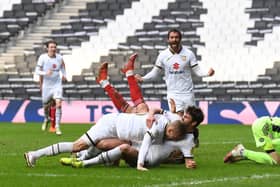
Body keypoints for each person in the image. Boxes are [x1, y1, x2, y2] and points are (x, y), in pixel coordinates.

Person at [60, 54, 204, 170]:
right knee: (138, 110)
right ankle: (115, 79)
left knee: (107, 139)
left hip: (137, 145)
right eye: (183, 116)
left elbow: (181, 152)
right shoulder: (178, 124)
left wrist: (185, 159)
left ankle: (112, 80)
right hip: (138, 139)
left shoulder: (187, 138)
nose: (182, 117)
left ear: (193, 123)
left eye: (185, 117)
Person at [24, 112, 186, 168]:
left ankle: (83, 159)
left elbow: (169, 114)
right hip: (112, 124)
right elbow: (144, 145)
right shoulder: (158, 127)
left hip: (121, 132)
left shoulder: (168, 120)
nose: (174, 140)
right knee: (77, 145)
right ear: (171, 130)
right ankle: (34, 154)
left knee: (102, 145)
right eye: (175, 137)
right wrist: (140, 164)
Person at [135, 29, 215, 116]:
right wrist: (143, 78)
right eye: (172, 37)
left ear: (180, 39)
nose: (174, 40)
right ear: (168, 39)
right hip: (173, 94)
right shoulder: (163, 55)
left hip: (187, 93)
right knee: (178, 120)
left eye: (176, 37)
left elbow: (197, 71)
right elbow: (155, 72)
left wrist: (207, 74)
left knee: (191, 119)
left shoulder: (189, 54)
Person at [35, 40, 67, 135]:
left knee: (59, 104)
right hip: (46, 86)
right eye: (51, 47)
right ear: (47, 48)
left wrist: (64, 75)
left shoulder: (59, 57)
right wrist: (45, 73)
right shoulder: (42, 58)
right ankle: (46, 118)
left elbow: (62, 66)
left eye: (54, 47)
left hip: (57, 85)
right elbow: (37, 71)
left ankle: (57, 127)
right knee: (45, 106)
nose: (53, 49)